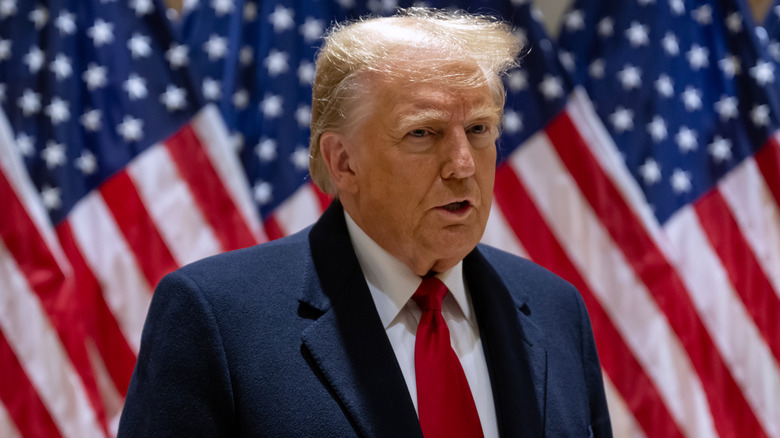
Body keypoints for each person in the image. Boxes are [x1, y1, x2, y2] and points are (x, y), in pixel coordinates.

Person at [118, 7, 612, 437]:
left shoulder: (555, 309)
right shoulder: (217, 320)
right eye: (424, 133)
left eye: (479, 130)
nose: (463, 163)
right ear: (343, 162)